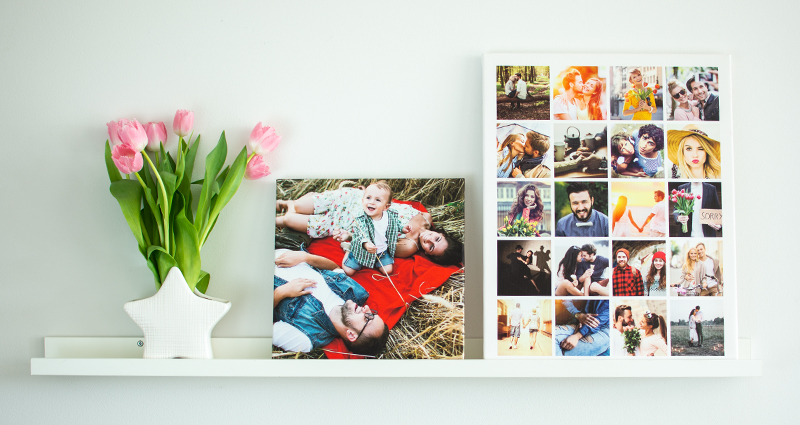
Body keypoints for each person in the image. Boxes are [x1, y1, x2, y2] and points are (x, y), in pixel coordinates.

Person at [276, 184, 463, 266]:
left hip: (344, 222)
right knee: (300, 205)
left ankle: (283, 211)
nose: (429, 240)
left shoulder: (408, 246)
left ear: (428, 254)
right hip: (353, 200)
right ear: (441, 233)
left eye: (431, 248)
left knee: (288, 220)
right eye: (437, 238)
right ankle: (289, 204)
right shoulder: (426, 216)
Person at [272, 249, 390, 356]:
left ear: (351, 335)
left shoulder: (305, 340)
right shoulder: (354, 293)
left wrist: (281, 292)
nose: (367, 308)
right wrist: (305, 257)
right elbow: (334, 268)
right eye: (372, 313)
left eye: (368, 318)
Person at [338, 181, 401, 276]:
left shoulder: (391, 215)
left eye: (378, 200)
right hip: (361, 251)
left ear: (386, 207)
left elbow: (396, 225)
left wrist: (404, 228)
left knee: (387, 270)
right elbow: (362, 232)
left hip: (381, 251)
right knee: (348, 270)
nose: (371, 202)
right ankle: (349, 249)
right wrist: (366, 244)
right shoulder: (361, 218)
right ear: (363, 200)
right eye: (368, 198)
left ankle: (376, 261)